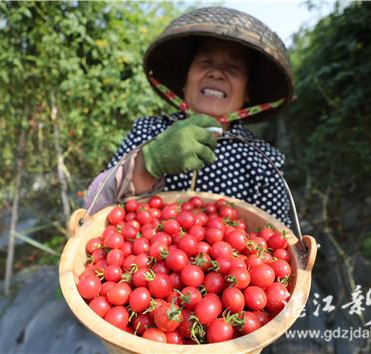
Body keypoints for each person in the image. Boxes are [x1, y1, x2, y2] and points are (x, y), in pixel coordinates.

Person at [85, 6, 295, 228]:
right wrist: (149, 162)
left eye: (233, 67)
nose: (216, 73)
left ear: (248, 92)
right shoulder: (148, 131)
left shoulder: (263, 161)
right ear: (185, 82)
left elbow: (278, 240)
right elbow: (92, 209)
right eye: (205, 62)